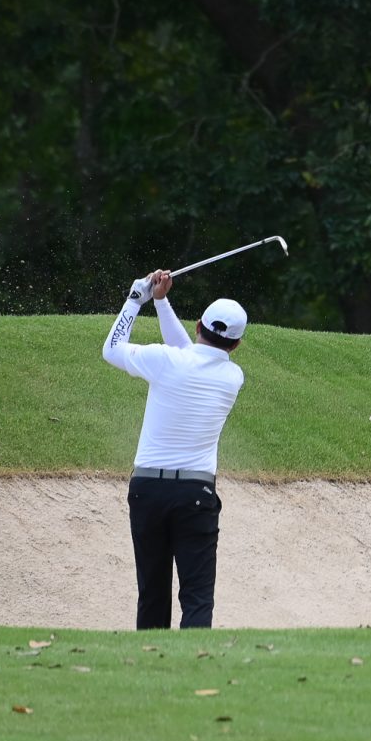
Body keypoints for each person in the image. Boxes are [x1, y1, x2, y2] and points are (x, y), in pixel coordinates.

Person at [101, 269, 248, 629]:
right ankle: (194, 662)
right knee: (197, 596)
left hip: (147, 490)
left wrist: (136, 299)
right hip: (195, 495)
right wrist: (161, 302)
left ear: (198, 325)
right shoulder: (233, 377)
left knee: (152, 592)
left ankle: (150, 660)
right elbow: (191, 354)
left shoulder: (166, 361)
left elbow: (111, 350)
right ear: (236, 345)